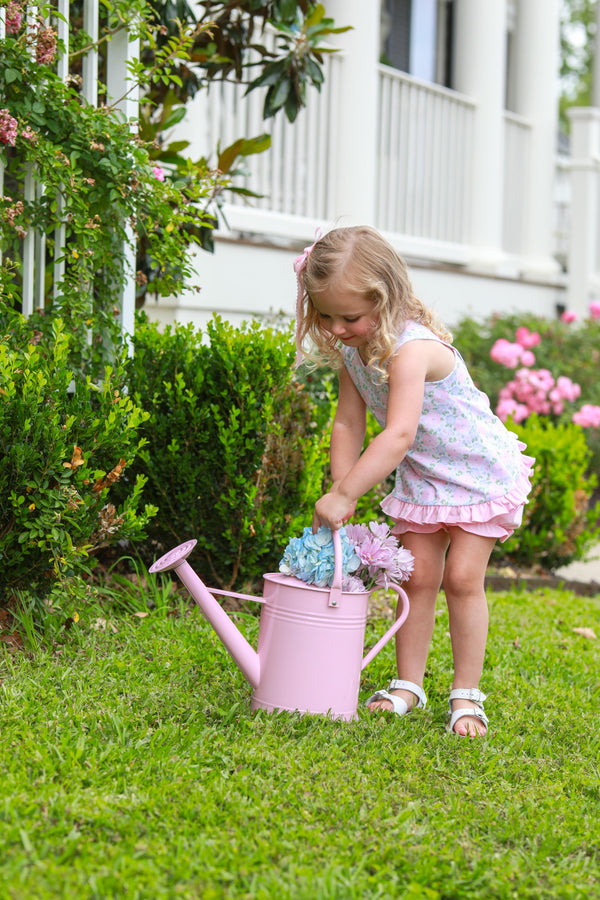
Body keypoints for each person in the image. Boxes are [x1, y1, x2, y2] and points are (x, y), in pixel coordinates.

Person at [293, 225, 534, 738]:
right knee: (416, 579)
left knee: (463, 580)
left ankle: (466, 695)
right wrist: (342, 489)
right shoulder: (352, 351)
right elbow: (348, 423)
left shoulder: (412, 349)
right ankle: (409, 685)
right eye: (326, 316)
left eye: (350, 317)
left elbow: (399, 433)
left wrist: (348, 492)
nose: (336, 328)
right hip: (425, 476)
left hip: (475, 474)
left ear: (385, 298)